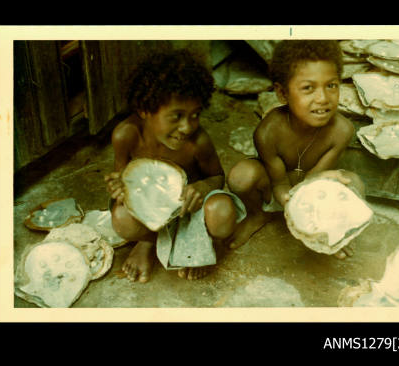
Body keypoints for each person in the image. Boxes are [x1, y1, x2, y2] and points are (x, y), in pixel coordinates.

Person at [105, 48, 246, 283]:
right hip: (149, 210)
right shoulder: (125, 135)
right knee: (120, 217)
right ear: (145, 110)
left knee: (222, 212)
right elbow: (123, 180)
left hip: (189, 210)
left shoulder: (197, 142)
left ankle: (200, 245)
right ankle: (147, 242)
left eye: (195, 115)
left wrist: (201, 189)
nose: (187, 127)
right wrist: (119, 189)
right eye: (176, 116)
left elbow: (217, 177)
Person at [227, 40, 366, 259]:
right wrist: (287, 200)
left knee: (354, 183)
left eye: (331, 85)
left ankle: (333, 233)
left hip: (313, 186)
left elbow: (314, 178)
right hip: (275, 187)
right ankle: (256, 215)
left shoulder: (342, 130)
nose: (322, 98)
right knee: (241, 176)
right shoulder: (268, 131)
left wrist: (322, 191)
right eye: (308, 88)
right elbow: (279, 183)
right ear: (282, 94)